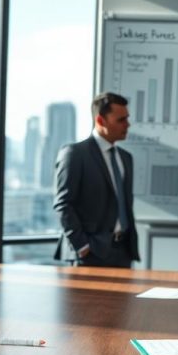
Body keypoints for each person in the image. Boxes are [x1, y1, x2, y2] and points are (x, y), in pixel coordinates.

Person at [54, 92, 139, 268]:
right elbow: (63, 204)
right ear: (100, 121)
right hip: (89, 255)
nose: (127, 124)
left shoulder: (126, 158)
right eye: (121, 120)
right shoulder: (75, 154)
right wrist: (82, 246)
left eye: (127, 118)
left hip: (122, 252)